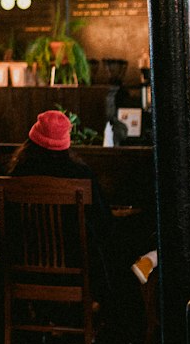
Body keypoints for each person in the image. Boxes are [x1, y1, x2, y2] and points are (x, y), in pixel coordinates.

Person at [8, 109, 114, 297]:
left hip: (24, 269)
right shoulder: (81, 174)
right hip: (76, 270)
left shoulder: (16, 174)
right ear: (65, 142)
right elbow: (103, 221)